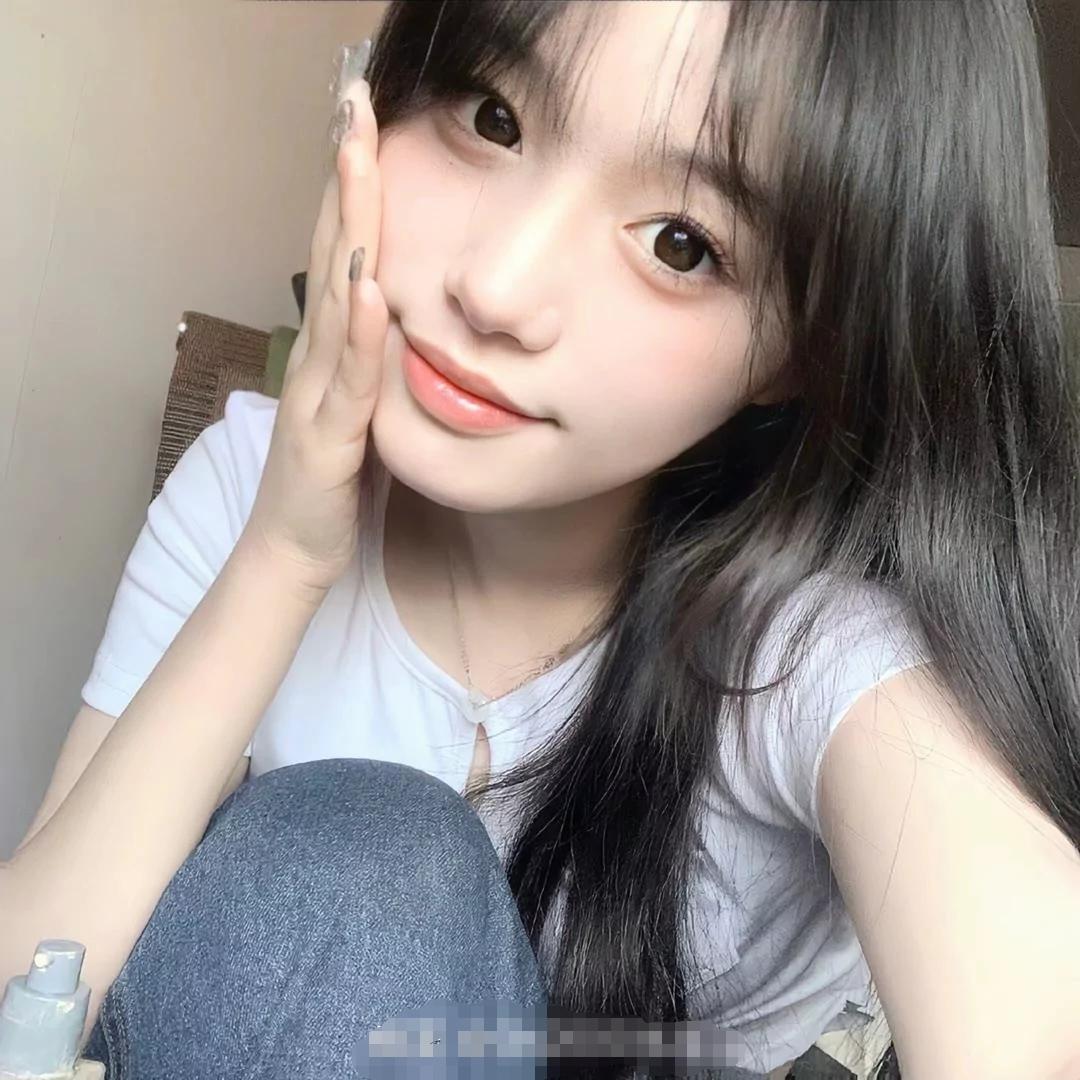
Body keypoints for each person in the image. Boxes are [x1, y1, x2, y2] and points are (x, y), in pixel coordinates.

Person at [2, 1, 1079, 1077]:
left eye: (680, 244)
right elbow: (32, 990)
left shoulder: (812, 651)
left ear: (800, 349)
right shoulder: (248, 485)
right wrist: (280, 559)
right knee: (367, 864)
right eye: (492, 117)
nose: (496, 288)